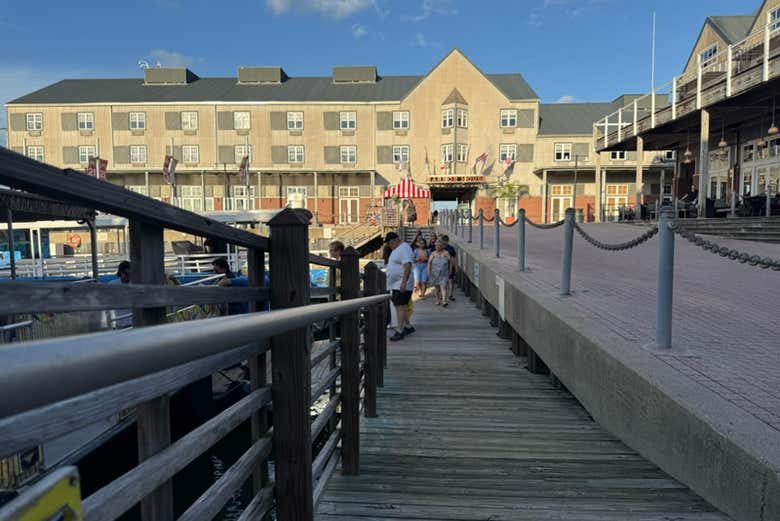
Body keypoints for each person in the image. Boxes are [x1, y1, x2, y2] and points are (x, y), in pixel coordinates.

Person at [384, 232, 415, 341]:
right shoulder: (398, 249)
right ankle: (408, 326)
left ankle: (400, 330)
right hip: (396, 284)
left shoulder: (404, 248)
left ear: (395, 240)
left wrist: (403, 283)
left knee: (400, 306)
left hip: (402, 284)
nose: (389, 245)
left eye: (389, 243)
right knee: (400, 305)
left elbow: (408, 266)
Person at [427, 240, 453, 306]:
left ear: (442, 246)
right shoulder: (433, 253)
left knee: (443, 287)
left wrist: (450, 271)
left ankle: (444, 301)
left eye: (439, 245)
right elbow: (429, 263)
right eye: (436, 245)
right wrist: (429, 272)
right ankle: (437, 300)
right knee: (437, 288)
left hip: (444, 273)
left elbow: (450, 262)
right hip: (434, 273)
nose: (437, 247)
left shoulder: (446, 253)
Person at [109, 261, 132, 328]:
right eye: (126, 274)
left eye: (130, 274)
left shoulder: (135, 284)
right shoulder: (112, 285)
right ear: (121, 273)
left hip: (134, 322)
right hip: (120, 323)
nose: (128, 277)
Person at [441, 235, 457, 301]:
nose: (445, 242)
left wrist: (455, 267)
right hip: (442, 267)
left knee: (451, 280)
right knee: (444, 282)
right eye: (444, 241)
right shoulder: (440, 248)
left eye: (446, 241)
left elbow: (454, 258)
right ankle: (444, 295)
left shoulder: (451, 248)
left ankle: (450, 295)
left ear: (448, 241)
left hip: (450, 266)